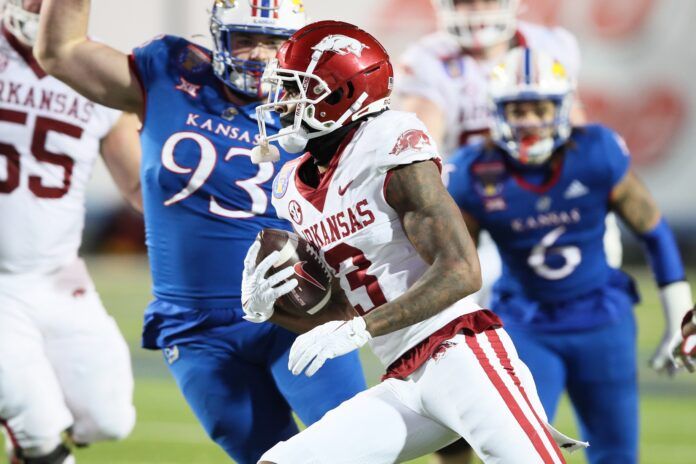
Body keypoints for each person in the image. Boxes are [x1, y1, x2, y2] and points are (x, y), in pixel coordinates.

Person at [35, 1, 367, 463]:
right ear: (217, 37)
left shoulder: (321, 105)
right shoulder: (170, 74)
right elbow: (60, 52)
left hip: (297, 304)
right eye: (244, 38)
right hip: (196, 326)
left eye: (272, 43)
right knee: (263, 455)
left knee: (354, 449)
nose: (257, 55)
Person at [243, 20, 586, 464]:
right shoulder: (291, 186)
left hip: (461, 354)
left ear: (341, 92)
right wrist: (270, 309)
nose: (282, 103)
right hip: (402, 378)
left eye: (296, 89)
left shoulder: (387, 141)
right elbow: (348, 309)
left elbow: (462, 270)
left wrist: (360, 329)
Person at [445, 46, 693, 464]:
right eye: (517, 109)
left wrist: (681, 313)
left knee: (617, 453)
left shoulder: (596, 151)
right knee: (519, 452)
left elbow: (652, 228)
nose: (528, 121)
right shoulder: (474, 172)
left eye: (539, 108)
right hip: (526, 323)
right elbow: (451, 265)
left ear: (562, 108)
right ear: (496, 111)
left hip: (602, 320)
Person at [0, 0, 140, 462]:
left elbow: (140, 187)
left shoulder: (99, 72)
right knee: (39, 430)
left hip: (58, 277)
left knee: (108, 420)